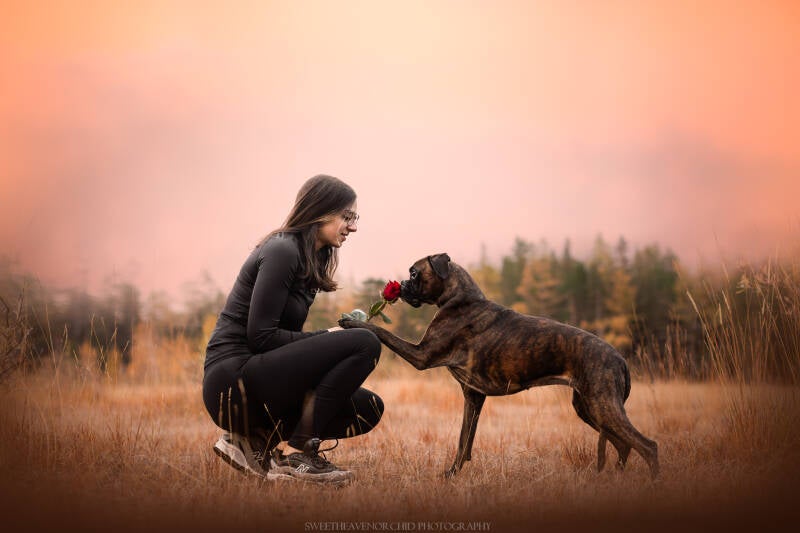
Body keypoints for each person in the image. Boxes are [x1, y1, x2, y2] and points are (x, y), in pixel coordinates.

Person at [202, 175, 383, 484]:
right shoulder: (282, 250)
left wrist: (329, 346)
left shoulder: (309, 258)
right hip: (231, 381)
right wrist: (327, 337)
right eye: (347, 216)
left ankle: (255, 441)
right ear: (321, 211)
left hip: (260, 377)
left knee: (367, 408)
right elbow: (261, 337)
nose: (352, 227)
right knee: (365, 342)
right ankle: (299, 454)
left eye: (355, 218)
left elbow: (286, 348)